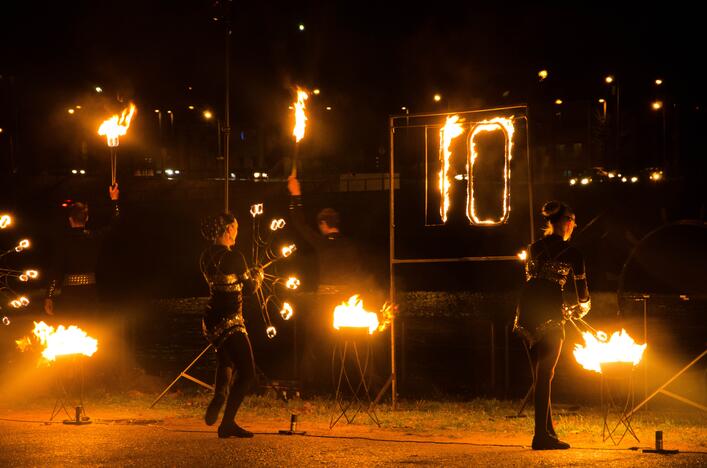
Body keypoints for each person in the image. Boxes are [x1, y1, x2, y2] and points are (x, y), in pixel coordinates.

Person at [514, 201, 590, 450]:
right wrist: (579, 309)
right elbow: (582, 295)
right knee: (546, 374)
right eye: (573, 222)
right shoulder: (572, 252)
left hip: (525, 313)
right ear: (566, 222)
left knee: (540, 376)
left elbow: (534, 281)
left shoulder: (533, 248)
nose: (573, 226)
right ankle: (540, 436)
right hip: (549, 313)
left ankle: (548, 432)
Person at [200, 213, 263, 438]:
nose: (237, 232)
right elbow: (248, 289)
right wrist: (258, 277)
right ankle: (227, 423)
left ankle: (220, 394)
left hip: (210, 320)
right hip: (231, 320)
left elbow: (223, 283)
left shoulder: (205, 256)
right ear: (227, 230)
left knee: (225, 360)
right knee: (247, 372)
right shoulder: (236, 256)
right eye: (235, 228)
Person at [44, 184, 120, 318]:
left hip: (70, 295)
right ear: (87, 218)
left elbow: (56, 270)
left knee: (71, 332)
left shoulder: (63, 241)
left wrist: (49, 297)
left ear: (70, 220)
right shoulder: (95, 237)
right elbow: (115, 224)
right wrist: (114, 200)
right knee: (90, 332)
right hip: (90, 293)